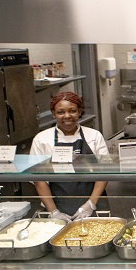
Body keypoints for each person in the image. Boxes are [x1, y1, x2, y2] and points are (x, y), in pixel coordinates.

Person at [30, 92, 109, 222]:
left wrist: (91, 204)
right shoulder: (41, 140)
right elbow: (39, 179)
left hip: (94, 204)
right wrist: (54, 212)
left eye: (72, 111)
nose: (67, 116)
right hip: (57, 204)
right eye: (61, 112)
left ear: (79, 111)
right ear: (53, 113)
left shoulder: (94, 136)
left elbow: (105, 171)